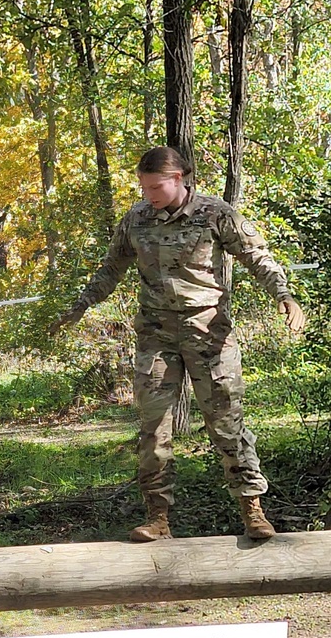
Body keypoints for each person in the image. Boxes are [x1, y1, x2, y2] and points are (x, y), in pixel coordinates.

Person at [52, 146, 305, 542]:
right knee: (154, 429)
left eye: (155, 186)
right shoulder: (136, 218)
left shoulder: (215, 214)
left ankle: (252, 511)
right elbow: (111, 267)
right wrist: (81, 305)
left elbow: (258, 257)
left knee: (226, 424)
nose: (148, 194)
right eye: (143, 186)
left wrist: (285, 297)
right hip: (156, 335)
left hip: (209, 334)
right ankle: (158, 518)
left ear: (180, 178)